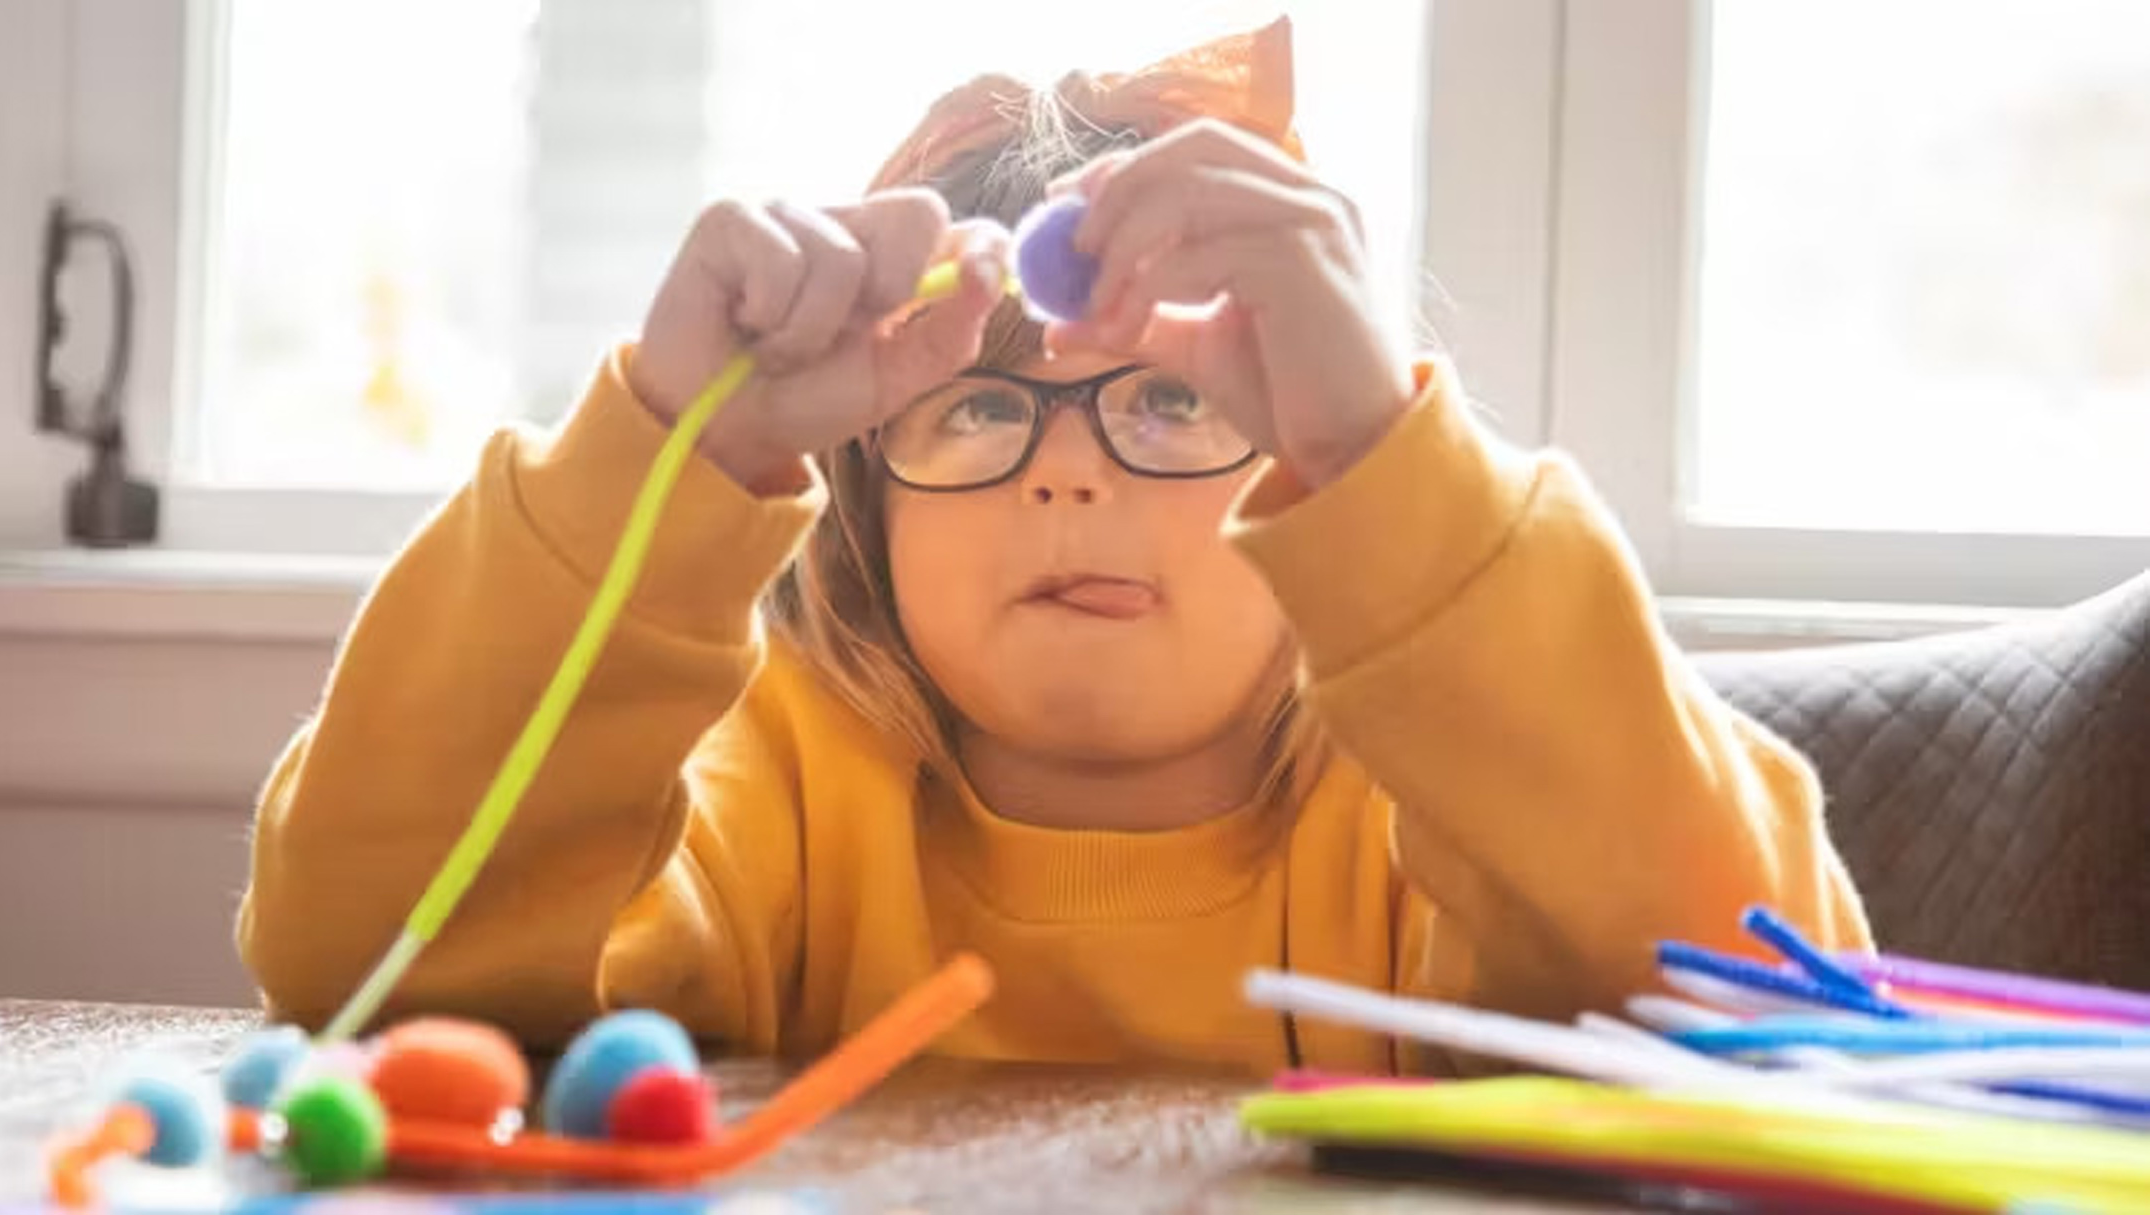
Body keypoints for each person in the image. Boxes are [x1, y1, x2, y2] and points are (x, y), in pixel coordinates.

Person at [238, 18, 1870, 1073]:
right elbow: (368, 970)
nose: (1068, 482)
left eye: (1168, 405)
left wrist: (1395, 461)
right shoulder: (773, 785)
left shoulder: (1440, 810)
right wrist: (675, 442)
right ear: (865, 509)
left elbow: (1762, 1013)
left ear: (1313, 487)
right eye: (977, 414)